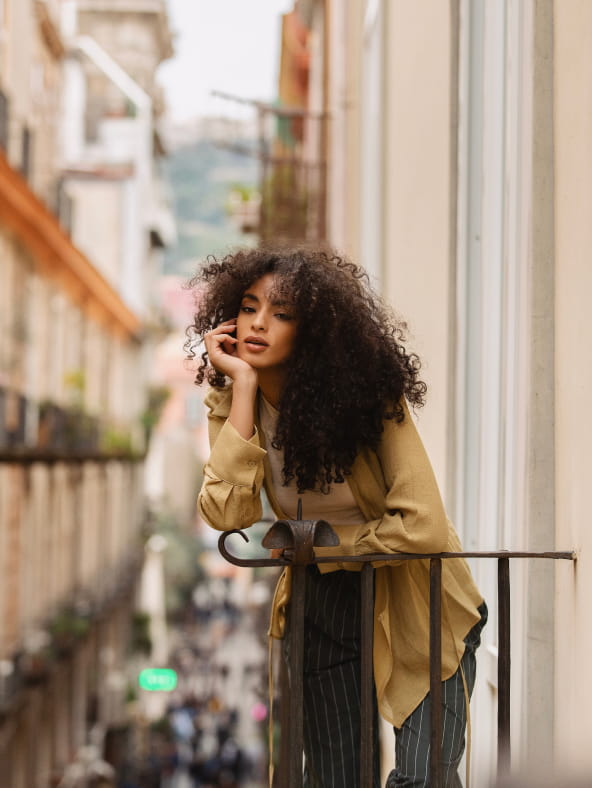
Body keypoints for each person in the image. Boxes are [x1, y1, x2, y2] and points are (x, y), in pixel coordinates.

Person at [187, 245, 487, 787]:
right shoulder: (235, 399)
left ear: (315, 330)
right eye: (250, 307)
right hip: (322, 604)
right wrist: (244, 390)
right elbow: (227, 511)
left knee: (424, 780)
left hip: (415, 596)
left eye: (282, 314)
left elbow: (424, 525)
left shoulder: (371, 399)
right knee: (337, 779)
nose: (258, 324)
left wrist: (324, 547)